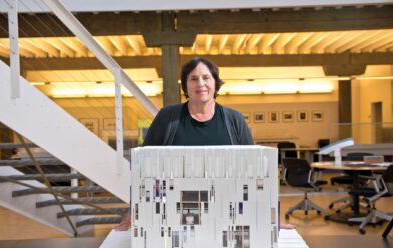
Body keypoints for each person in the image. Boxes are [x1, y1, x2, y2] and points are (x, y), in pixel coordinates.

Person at [114, 57, 295, 230]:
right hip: (174, 213)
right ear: (185, 85)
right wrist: (134, 210)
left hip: (226, 211)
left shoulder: (234, 119)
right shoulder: (168, 117)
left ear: (215, 82)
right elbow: (144, 166)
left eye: (206, 77)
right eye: (193, 78)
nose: (200, 83)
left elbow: (254, 173)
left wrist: (268, 218)